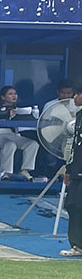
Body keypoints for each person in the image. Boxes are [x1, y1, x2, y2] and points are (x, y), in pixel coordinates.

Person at [0, 85, 39, 180]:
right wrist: (6, 113)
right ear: (3, 97)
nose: (14, 96)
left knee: (32, 144)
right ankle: (5, 173)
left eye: (15, 94)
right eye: (10, 94)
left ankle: (25, 170)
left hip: (11, 134)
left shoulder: (19, 108)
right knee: (10, 145)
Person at [61, 88, 82, 257]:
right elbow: (75, 145)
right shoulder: (79, 117)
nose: (74, 98)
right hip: (77, 170)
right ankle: (77, 245)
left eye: (77, 95)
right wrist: (69, 169)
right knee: (73, 205)